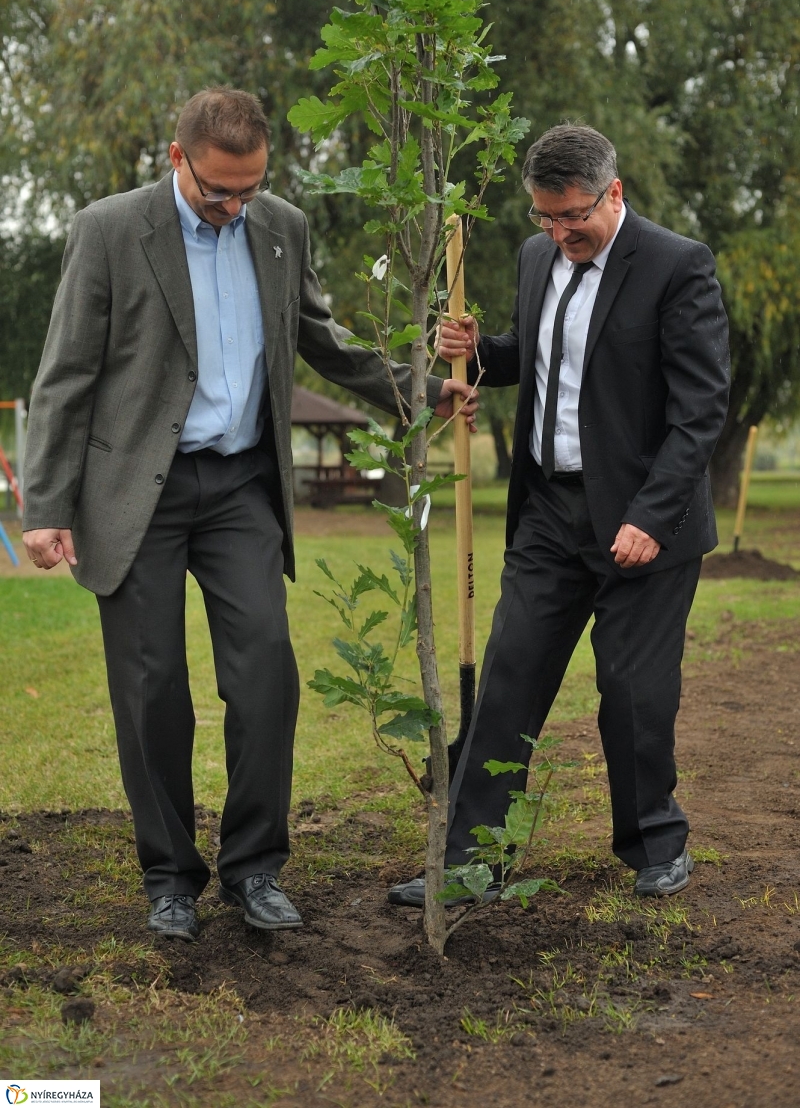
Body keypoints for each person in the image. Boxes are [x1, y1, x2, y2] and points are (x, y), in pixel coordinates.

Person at [23, 86, 476, 942]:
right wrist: (46, 504)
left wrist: (421, 390)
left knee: (266, 670)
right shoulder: (110, 230)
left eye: (251, 188)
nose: (235, 207)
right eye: (218, 191)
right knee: (153, 686)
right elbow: (66, 374)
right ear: (176, 158)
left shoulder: (280, 226)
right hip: (137, 494)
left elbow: (324, 339)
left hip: (238, 488)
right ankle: (169, 877)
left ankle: (256, 866)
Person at [389, 123, 729, 908]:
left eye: (573, 215)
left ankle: (655, 842)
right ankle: (475, 859)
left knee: (634, 688)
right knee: (509, 676)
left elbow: (699, 411)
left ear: (613, 192)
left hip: (645, 519)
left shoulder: (679, 267)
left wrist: (651, 513)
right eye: (545, 216)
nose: (559, 232)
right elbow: (539, 357)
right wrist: (474, 352)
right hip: (549, 508)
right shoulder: (535, 256)